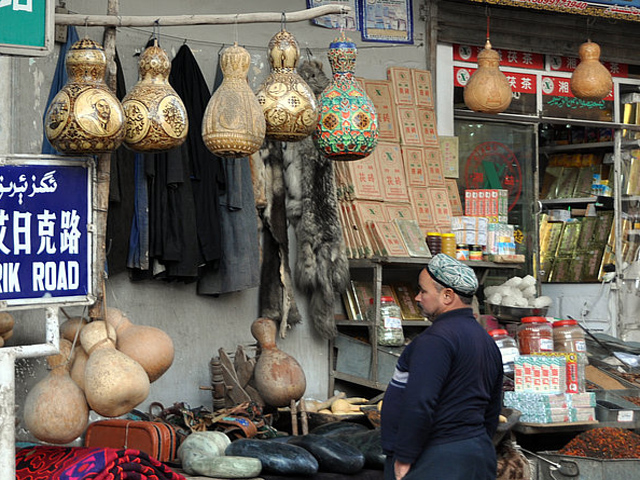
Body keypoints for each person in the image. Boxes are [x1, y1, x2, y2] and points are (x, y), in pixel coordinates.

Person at [381, 253, 504, 480]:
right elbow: (493, 407)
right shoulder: (486, 341)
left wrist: (405, 457)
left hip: (437, 461)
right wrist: (475, 447)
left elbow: (419, 402)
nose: (417, 297)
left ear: (447, 296)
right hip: (476, 455)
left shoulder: (435, 340)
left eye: (423, 291)